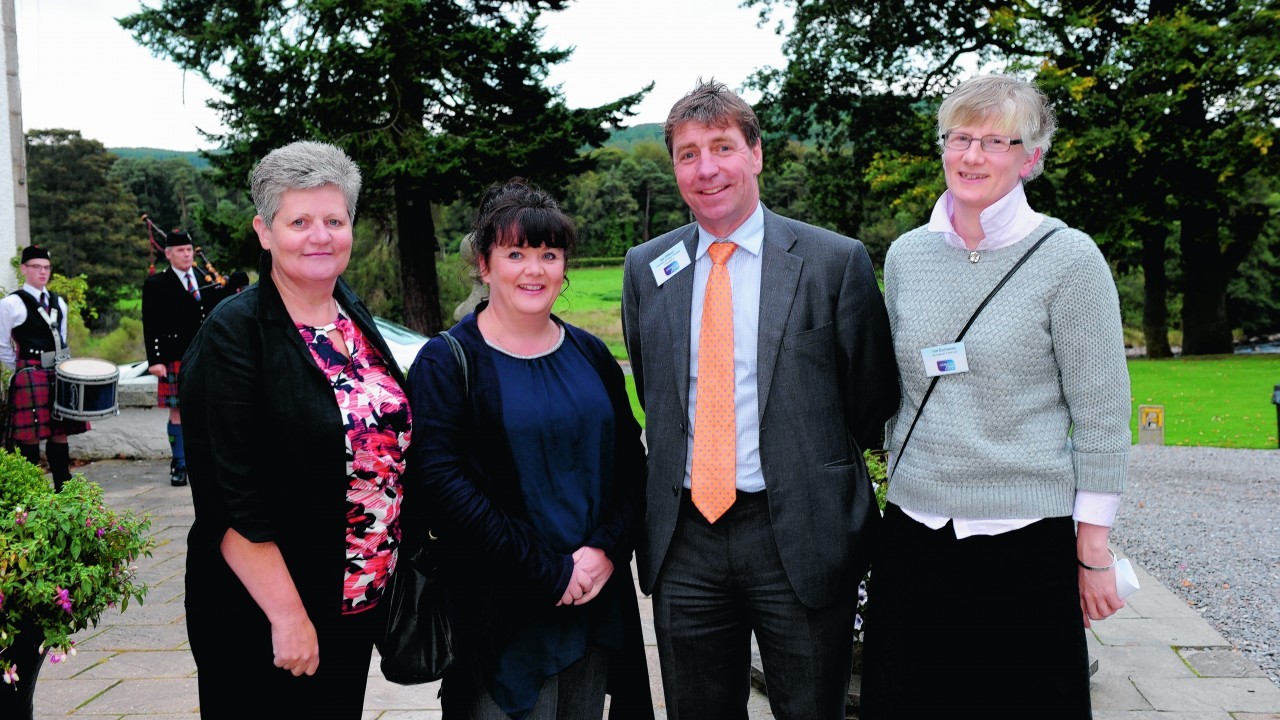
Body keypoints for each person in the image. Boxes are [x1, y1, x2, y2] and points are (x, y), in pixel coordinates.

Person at [621, 80, 899, 719]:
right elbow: (654, 387)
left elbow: (869, 397)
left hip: (798, 531)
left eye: (722, 147)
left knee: (810, 709)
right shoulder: (646, 267)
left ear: (756, 154)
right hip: (683, 538)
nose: (706, 168)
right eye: (688, 154)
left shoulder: (834, 262)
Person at [859, 74, 1131, 718]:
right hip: (915, 532)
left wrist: (1091, 552)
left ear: (1029, 157)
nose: (972, 156)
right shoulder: (906, 256)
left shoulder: (1070, 259)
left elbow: (1101, 416)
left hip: (1024, 540)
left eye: (994, 142)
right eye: (959, 138)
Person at [179, 141, 413, 718]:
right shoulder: (233, 336)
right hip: (269, 616)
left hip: (354, 600)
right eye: (299, 221)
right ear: (265, 231)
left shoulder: (351, 316)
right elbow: (228, 499)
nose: (320, 236)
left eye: (334, 220)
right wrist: (288, 617)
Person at [406, 179, 652, 720]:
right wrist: (548, 570)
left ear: (565, 267)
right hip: (502, 614)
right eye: (515, 253)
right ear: (484, 265)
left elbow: (632, 462)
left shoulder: (591, 354)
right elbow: (442, 484)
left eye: (549, 254)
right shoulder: (447, 364)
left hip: (590, 604)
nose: (533, 269)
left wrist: (606, 551)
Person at [141, 230, 230, 486]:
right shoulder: (157, 284)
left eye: (189, 250)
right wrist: (155, 360)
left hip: (207, 355)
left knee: (209, 410)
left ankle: (206, 463)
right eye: (180, 250)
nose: (186, 254)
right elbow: (151, 323)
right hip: (174, 356)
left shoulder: (205, 278)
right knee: (178, 412)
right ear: (168, 254)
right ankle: (179, 464)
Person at [0, 245, 90, 490]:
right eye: (36, 267)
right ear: (24, 269)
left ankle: (63, 488)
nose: (42, 272)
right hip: (30, 376)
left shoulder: (58, 302)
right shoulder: (11, 304)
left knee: (59, 431)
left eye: (46, 268)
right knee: (29, 436)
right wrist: (23, 369)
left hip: (57, 373)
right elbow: (2, 346)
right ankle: (31, 491)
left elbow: (61, 338)